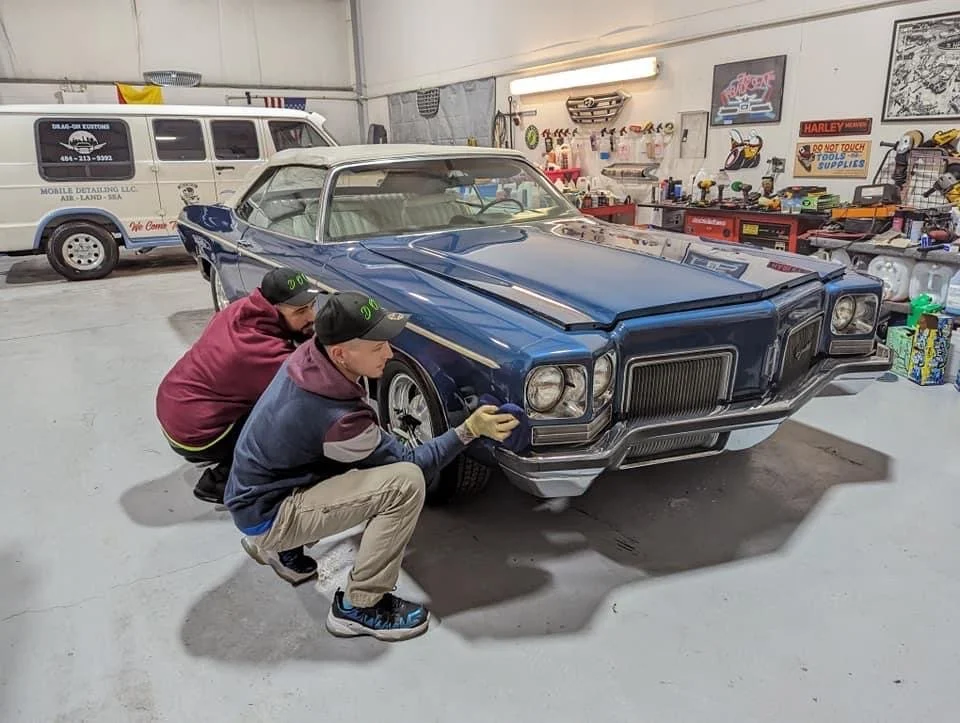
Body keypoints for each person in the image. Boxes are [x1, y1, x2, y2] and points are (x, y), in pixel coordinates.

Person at [223, 291, 519, 641]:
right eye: (377, 347)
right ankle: (358, 606)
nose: (390, 353)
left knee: (355, 461)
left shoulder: (311, 358)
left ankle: (279, 550)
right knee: (405, 483)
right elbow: (412, 464)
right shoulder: (338, 418)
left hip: (252, 493)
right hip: (271, 513)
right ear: (341, 353)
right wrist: (468, 430)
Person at [156, 266, 320, 506]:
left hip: (174, 406)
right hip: (196, 434)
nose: (311, 317)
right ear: (274, 310)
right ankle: (225, 482)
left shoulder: (240, 309)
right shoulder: (258, 351)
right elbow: (314, 390)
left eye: (312, 305)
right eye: (301, 311)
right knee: (294, 423)